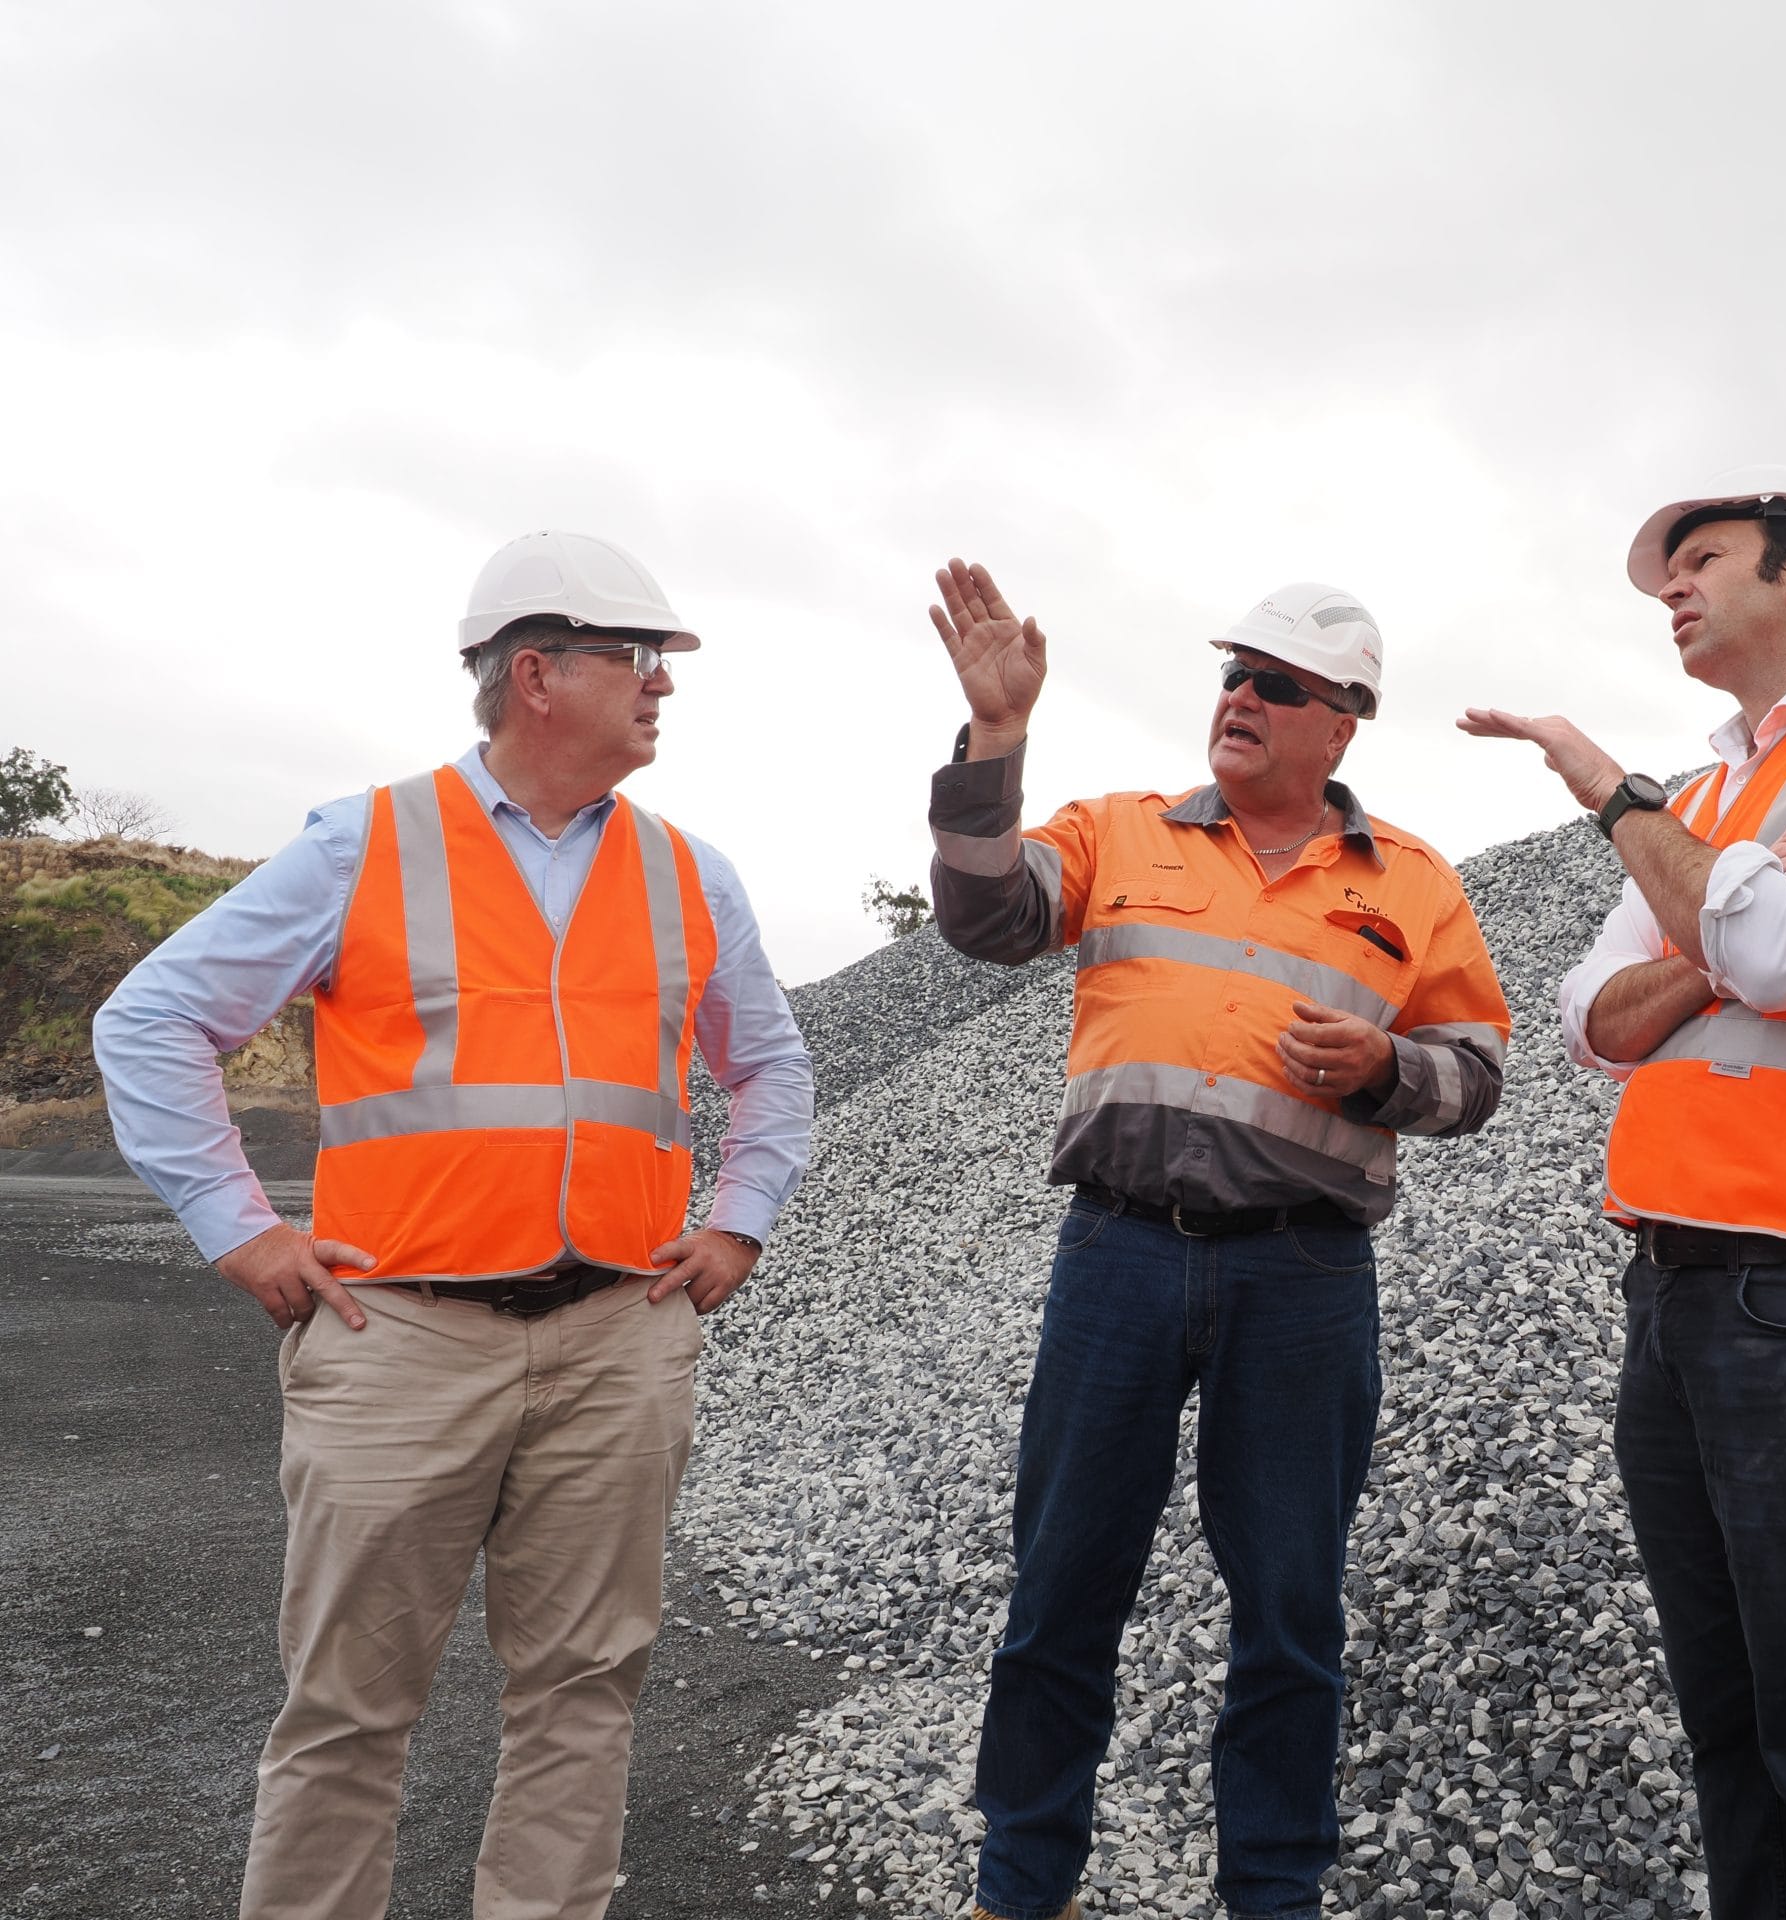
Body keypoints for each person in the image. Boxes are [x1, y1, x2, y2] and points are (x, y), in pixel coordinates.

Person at [93, 530, 815, 1920]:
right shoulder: (361, 843)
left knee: (583, 1700)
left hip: (618, 1339)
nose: (663, 684)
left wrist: (740, 1223)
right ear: (536, 675)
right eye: (638, 658)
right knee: (347, 1714)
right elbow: (155, 1020)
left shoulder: (689, 874)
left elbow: (770, 1064)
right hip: (400, 1341)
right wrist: (242, 1232)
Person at [925, 562, 1511, 1920]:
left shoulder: (1413, 884)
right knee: (1064, 1582)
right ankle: (1023, 1883)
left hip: (1303, 1277)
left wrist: (1380, 1071)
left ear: (1340, 726)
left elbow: (1475, 1076)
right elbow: (984, 919)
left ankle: (1272, 1892)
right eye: (1234, 676)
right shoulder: (1119, 831)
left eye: (1278, 685)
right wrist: (998, 741)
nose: (1242, 697)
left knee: (1292, 1611)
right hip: (1119, 1258)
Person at [1460, 468, 1786, 1919]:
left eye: (1700, 561)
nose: (1674, 592)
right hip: (1674, 1287)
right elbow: (1590, 1021)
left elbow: (1778, 962)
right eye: (1663, 578)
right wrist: (1721, 919)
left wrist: (1611, 795)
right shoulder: (1708, 798)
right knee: (1738, 1729)